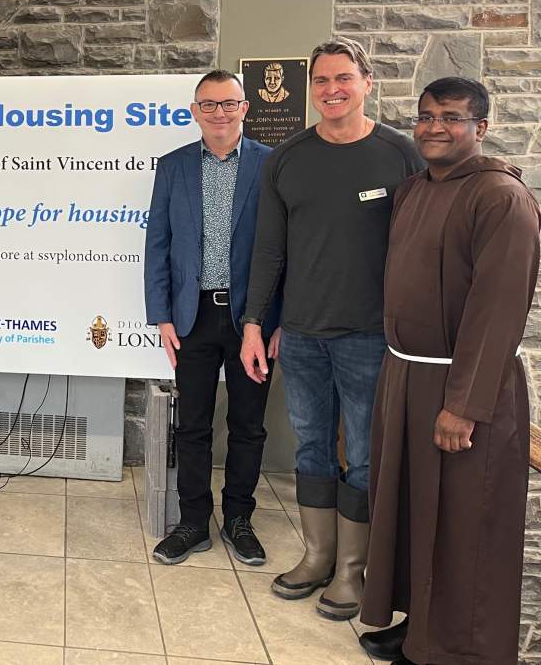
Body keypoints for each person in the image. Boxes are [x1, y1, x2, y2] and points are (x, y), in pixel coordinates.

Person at [239, 37, 424, 620]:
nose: (331, 89)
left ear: (367, 83)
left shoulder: (400, 156)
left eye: (343, 78)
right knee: (312, 445)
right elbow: (269, 251)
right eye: (321, 80)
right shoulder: (287, 158)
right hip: (301, 335)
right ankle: (318, 556)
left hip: (371, 336)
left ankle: (353, 571)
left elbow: (421, 247)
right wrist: (253, 324)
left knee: (365, 455)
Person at [359, 77, 538, 665]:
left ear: (480, 128)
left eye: (452, 117)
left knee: (465, 522)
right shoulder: (413, 190)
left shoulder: (499, 199)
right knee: (413, 509)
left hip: (461, 386)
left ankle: (457, 649)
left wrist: (463, 406)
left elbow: (497, 311)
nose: (435, 127)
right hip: (407, 375)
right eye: (426, 116)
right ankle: (419, 628)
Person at [144, 70, 281, 566]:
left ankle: (239, 519)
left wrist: (276, 320)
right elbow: (157, 243)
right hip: (191, 316)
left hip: (254, 318)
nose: (219, 112)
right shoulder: (174, 166)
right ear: (195, 110)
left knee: (249, 425)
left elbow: (285, 248)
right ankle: (193, 521)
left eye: (229, 103)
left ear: (245, 108)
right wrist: (162, 316)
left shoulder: (272, 164)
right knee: (193, 425)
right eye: (208, 104)